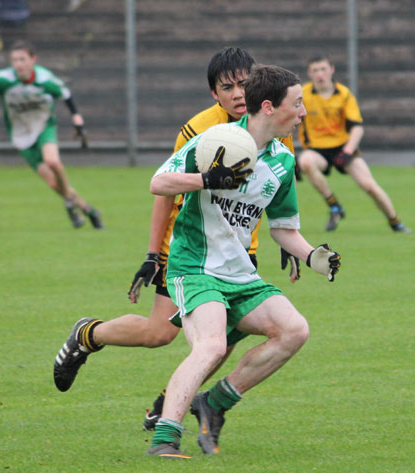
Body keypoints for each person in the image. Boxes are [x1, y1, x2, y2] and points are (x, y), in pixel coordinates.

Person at [52, 48, 300, 414]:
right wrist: (154, 254)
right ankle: (88, 335)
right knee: (159, 334)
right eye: (226, 87)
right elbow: (166, 188)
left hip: (238, 248)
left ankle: (168, 405)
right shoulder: (200, 129)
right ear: (213, 94)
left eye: (243, 84)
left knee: (226, 337)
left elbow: (274, 186)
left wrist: (290, 243)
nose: (236, 93)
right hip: (189, 245)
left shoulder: (273, 117)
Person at [145, 64, 341, 459]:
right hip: (195, 268)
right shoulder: (216, 141)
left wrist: (314, 256)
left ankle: (214, 403)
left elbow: (283, 228)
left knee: (294, 330)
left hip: (240, 273)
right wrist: (206, 179)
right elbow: (158, 182)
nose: (303, 112)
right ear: (269, 106)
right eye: (297, 104)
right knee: (212, 345)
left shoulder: (284, 162)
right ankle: (164, 438)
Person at [0, 40, 103, 229]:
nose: (18, 64)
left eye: (22, 59)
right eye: (14, 60)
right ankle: (88, 210)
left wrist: (77, 119)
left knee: (52, 162)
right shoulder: (5, 79)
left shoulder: (44, 79)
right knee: (54, 185)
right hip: (21, 136)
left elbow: (65, 95)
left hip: (44, 126)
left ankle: (70, 203)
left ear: (33, 59)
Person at [297, 54, 411, 233]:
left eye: (323, 69)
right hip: (317, 149)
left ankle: (395, 222)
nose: (320, 74)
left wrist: (347, 152)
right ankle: (334, 206)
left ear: (331, 70)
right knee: (305, 161)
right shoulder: (302, 94)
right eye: (315, 70)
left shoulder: (344, 94)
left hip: (343, 147)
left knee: (369, 186)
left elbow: (357, 128)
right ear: (309, 73)